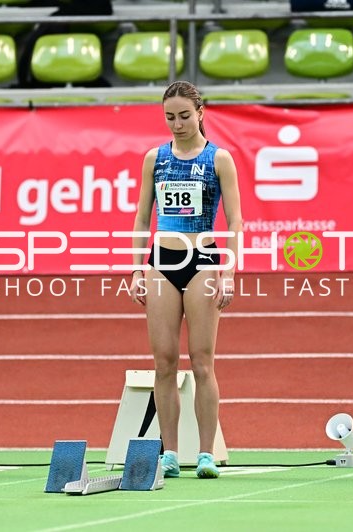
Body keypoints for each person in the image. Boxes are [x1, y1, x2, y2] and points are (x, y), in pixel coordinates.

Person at [129, 81, 243, 479]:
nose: (177, 124)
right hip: (162, 260)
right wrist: (136, 267)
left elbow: (236, 221)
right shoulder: (154, 159)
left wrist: (229, 271)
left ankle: (207, 453)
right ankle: (171, 452)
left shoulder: (218, 159)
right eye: (169, 117)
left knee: (202, 361)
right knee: (163, 362)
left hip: (205, 260)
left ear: (200, 113)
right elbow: (143, 217)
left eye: (183, 116)